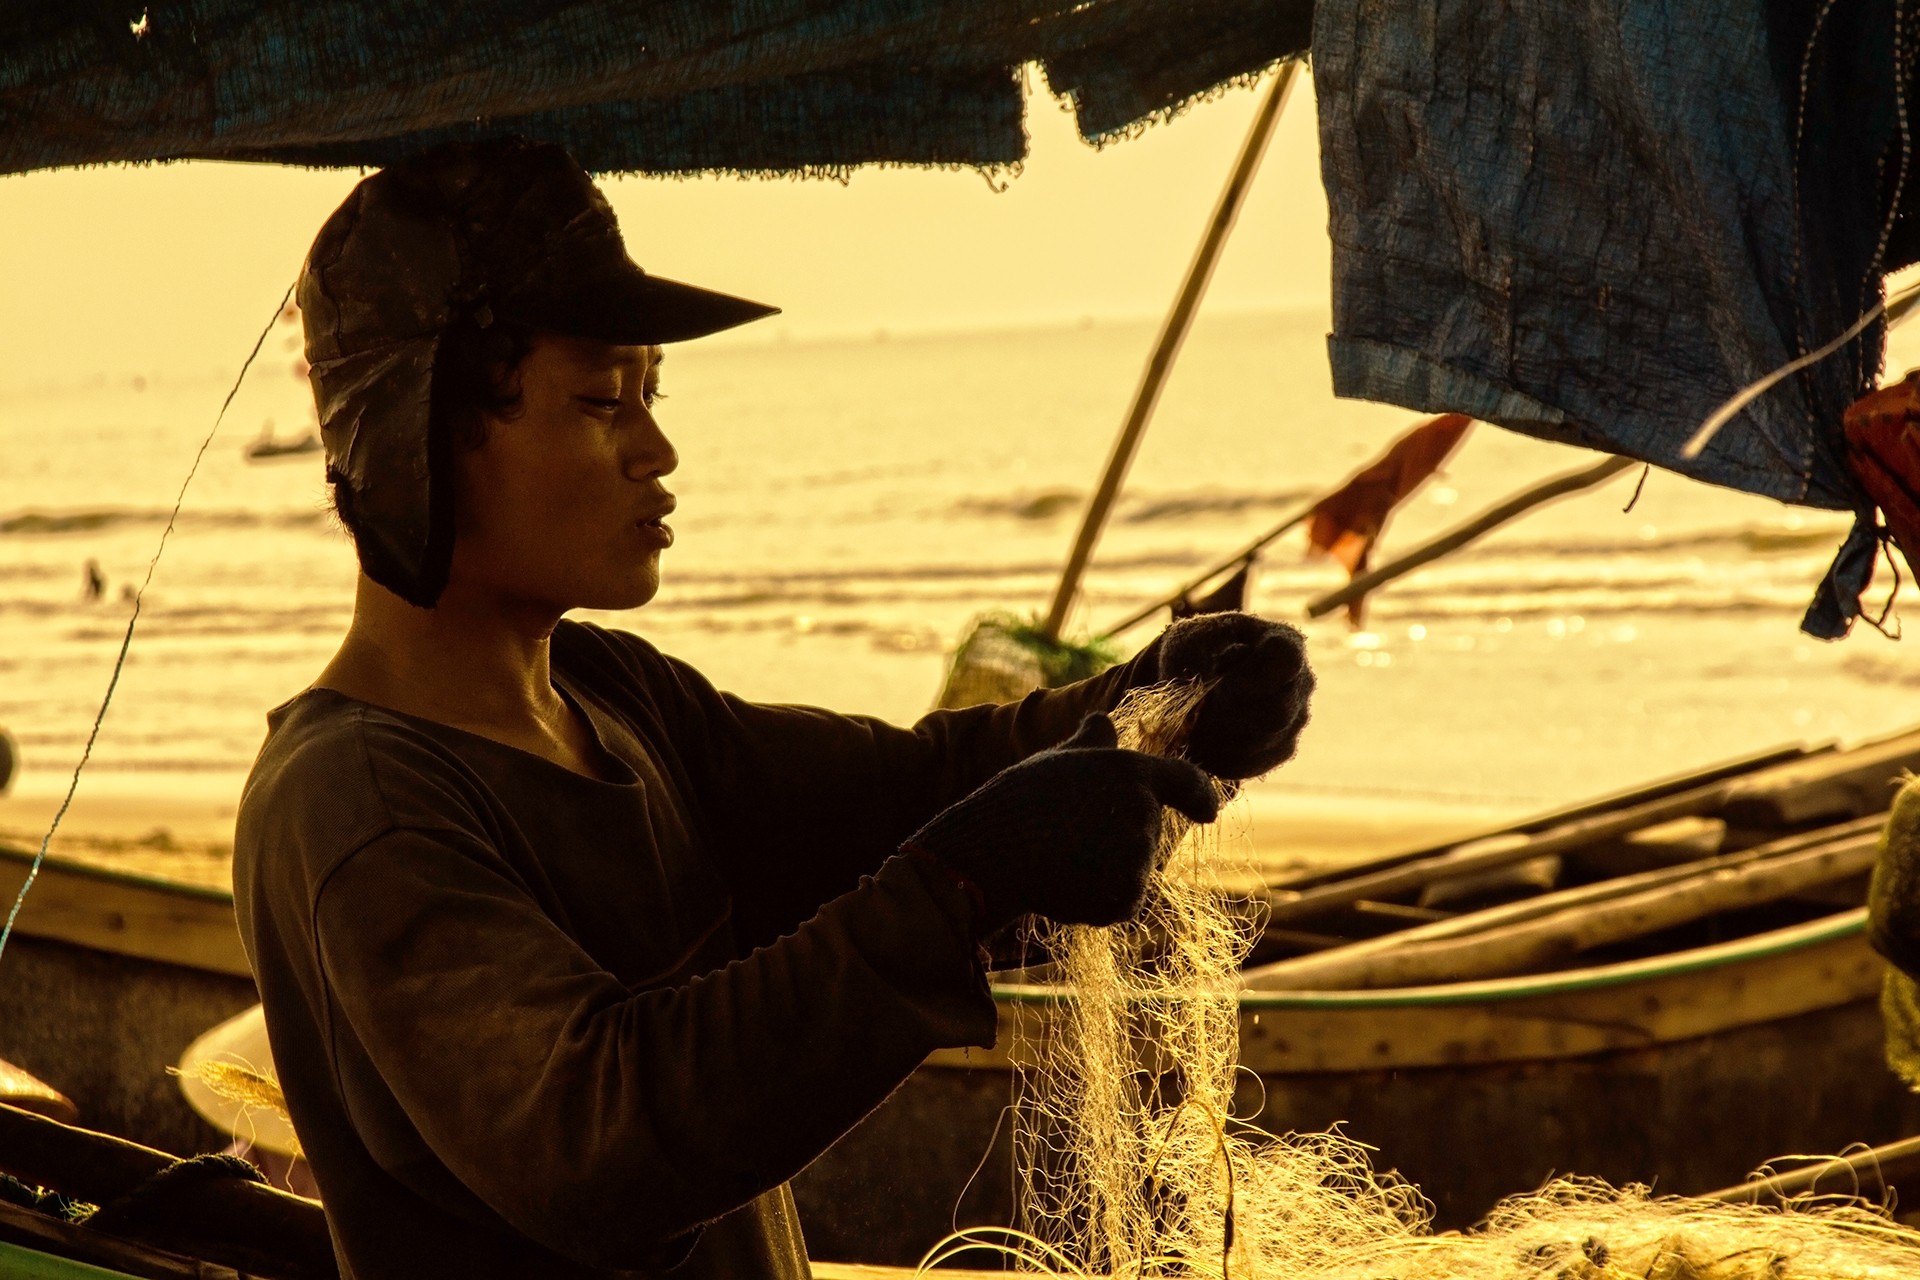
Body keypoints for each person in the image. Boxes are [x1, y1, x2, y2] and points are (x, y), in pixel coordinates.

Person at [231, 138, 1316, 1280]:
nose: (657, 451)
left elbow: (909, 791)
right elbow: (601, 1146)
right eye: (602, 401)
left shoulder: (610, 693)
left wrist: (1146, 702)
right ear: (415, 439)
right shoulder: (357, 802)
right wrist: (958, 888)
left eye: (652, 394)